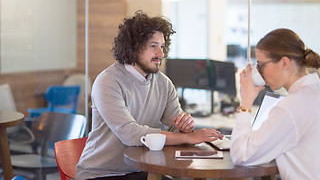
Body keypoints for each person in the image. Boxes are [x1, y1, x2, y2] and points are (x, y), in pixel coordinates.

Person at [76, 11, 223, 180]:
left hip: (140, 170)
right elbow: (130, 134)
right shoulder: (108, 81)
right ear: (133, 47)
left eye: (162, 46)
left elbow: (175, 126)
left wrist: (184, 127)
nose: (160, 54)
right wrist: (190, 137)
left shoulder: (164, 83)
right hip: (101, 173)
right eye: (153, 46)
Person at [230, 28, 320, 180]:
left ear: (284, 63)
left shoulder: (291, 107)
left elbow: (241, 154)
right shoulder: (313, 91)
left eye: (261, 65)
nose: (259, 73)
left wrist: (246, 101)